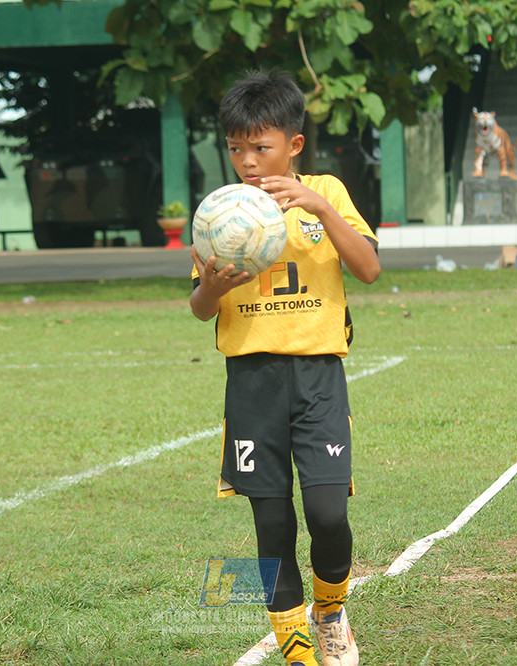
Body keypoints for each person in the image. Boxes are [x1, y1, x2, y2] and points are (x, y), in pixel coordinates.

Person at [190, 69, 380, 666]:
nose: (247, 161)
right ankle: (297, 647)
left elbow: (369, 269)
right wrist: (214, 286)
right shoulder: (220, 214)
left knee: (328, 515)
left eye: (260, 147)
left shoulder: (326, 190)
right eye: (236, 148)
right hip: (252, 384)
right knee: (272, 524)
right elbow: (198, 308)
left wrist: (321, 207)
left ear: (294, 145)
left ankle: (330, 612)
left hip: (318, 377)